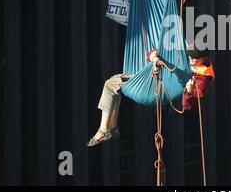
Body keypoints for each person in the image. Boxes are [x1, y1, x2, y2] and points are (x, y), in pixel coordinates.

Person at [86, 43, 214, 147]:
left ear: (204, 58)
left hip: (163, 90)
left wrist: (189, 91)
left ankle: (105, 130)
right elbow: (153, 51)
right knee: (111, 84)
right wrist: (155, 59)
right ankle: (109, 128)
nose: (190, 60)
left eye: (194, 58)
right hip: (150, 78)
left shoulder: (203, 77)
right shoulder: (182, 53)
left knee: (111, 85)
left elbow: (187, 106)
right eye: (189, 56)